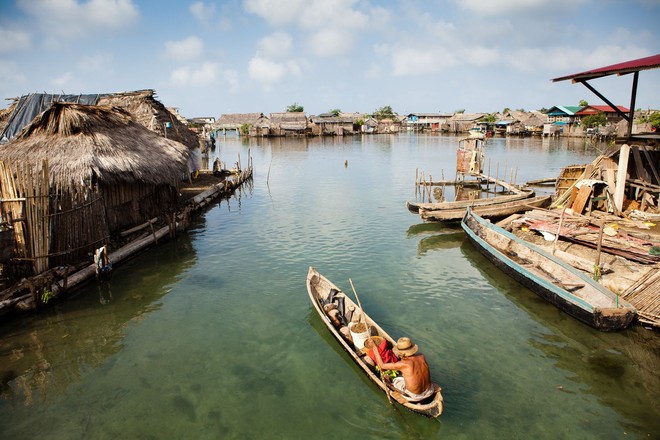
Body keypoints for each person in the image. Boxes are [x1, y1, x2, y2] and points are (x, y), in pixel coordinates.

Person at [375, 336, 434, 402]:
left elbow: (381, 365)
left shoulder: (403, 364)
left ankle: (391, 385)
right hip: (430, 391)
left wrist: (374, 348)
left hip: (414, 396)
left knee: (395, 380)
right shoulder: (421, 356)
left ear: (401, 353)